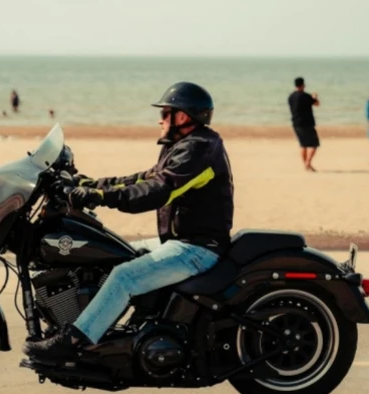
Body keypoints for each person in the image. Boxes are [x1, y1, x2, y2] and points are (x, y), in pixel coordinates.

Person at [23, 81, 234, 361]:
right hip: (181, 242)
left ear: (182, 116)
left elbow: (157, 190)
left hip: (196, 249)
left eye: (165, 113)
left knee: (123, 276)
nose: (160, 119)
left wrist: (100, 196)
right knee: (116, 255)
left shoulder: (197, 150)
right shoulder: (186, 146)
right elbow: (142, 178)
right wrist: (91, 183)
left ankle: (75, 340)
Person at [288, 77, 320, 172]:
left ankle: (306, 165)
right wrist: (314, 97)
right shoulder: (306, 96)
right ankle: (307, 163)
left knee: (303, 145)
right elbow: (317, 104)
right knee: (314, 144)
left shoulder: (291, 97)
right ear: (303, 85)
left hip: (296, 123)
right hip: (307, 123)